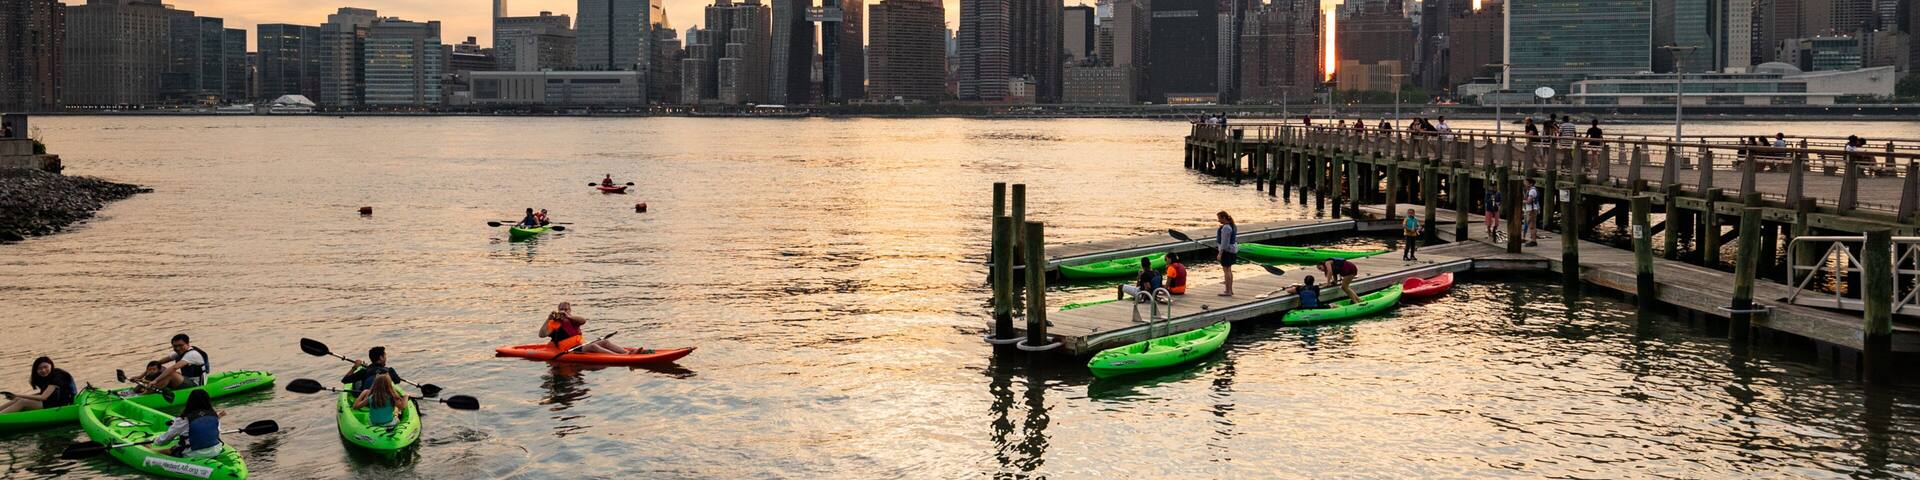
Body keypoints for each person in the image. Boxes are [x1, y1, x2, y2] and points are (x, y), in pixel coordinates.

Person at [540, 302, 648, 354]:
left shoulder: (573, 320)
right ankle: (622, 357)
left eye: (566, 309)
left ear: (570, 310)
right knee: (594, 347)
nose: (564, 311)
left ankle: (626, 353)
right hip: (569, 350)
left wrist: (569, 316)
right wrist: (548, 319)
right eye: (561, 309)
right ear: (558, 310)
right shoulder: (554, 323)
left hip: (580, 345)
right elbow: (542, 334)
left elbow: (583, 321)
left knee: (605, 341)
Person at [152, 390, 222, 458]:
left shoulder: (183, 419)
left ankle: (150, 451)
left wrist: (155, 441)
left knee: (170, 450)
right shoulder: (214, 415)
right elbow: (217, 433)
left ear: (190, 402)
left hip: (193, 454)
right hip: (215, 451)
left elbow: (164, 440)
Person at [0, 357, 76, 413]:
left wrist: (18, 395)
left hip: (62, 404)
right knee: (17, 399)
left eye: (45, 367)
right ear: (36, 370)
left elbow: (43, 397)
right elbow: (45, 393)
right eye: (39, 368)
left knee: (22, 402)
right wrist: (16, 397)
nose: (43, 370)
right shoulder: (46, 376)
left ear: (51, 365)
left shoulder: (58, 376)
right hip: (52, 400)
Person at [1215, 211, 1239, 296]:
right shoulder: (1233, 225)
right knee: (1229, 270)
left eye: (1219, 218)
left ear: (1224, 218)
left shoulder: (1226, 228)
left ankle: (1228, 291)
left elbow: (1224, 242)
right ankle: (1229, 290)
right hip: (1232, 250)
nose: (1218, 220)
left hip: (1226, 251)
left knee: (1226, 271)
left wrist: (1220, 253)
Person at [1522, 178, 1542, 246]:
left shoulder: (1532, 191)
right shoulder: (1531, 190)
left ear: (1530, 184)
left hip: (1531, 210)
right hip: (1531, 209)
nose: (1525, 184)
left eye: (1526, 182)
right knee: (1531, 225)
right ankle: (1533, 239)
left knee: (1532, 226)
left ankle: (1533, 241)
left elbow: (1529, 201)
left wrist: (1521, 201)